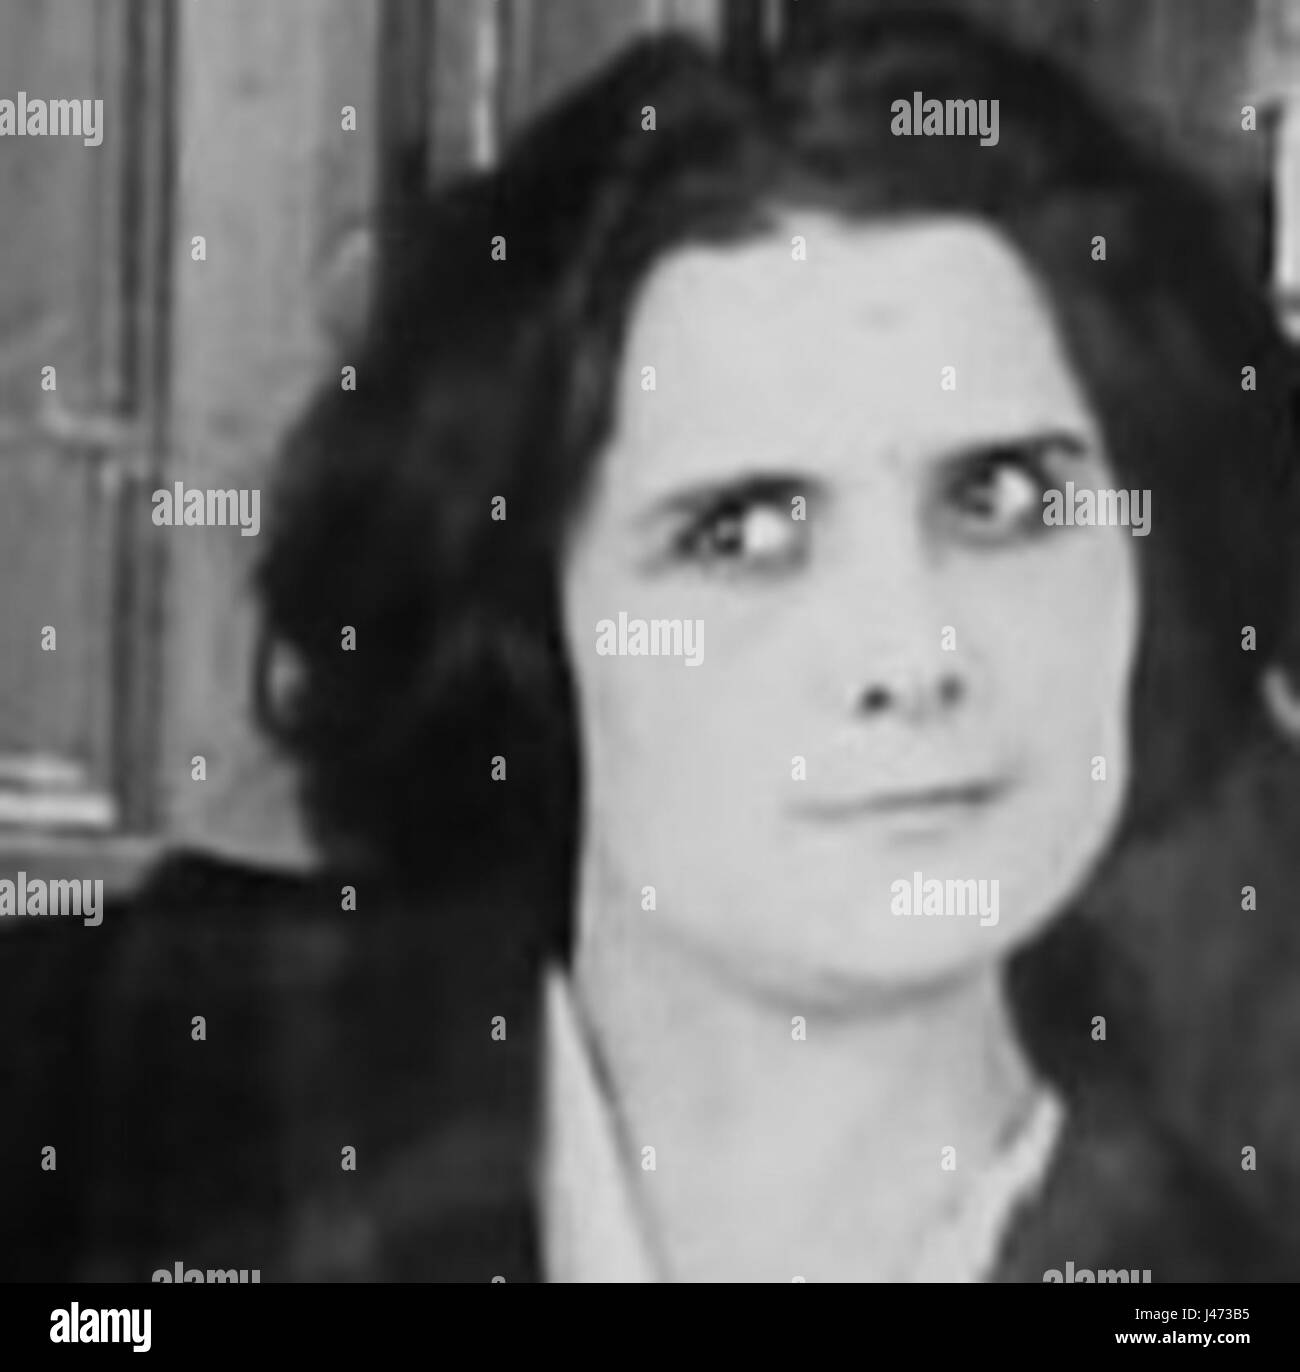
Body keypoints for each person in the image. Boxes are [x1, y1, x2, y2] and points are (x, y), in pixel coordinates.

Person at [7, 9, 1300, 1282]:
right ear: (530, 618)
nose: (913, 655)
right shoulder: (130, 1087)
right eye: (743, 533)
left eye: (1002, 501)